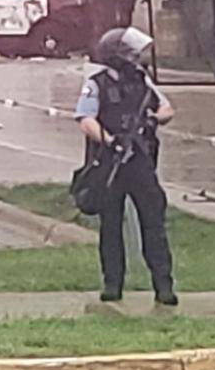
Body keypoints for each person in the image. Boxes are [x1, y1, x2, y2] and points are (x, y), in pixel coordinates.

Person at [75, 25, 177, 305]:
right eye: (135, 54)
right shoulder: (96, 84)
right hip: (111, 163)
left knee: (153, 222)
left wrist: (154, 120)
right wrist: (109, 141)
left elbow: (167, 108)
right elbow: (85, 119)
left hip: (141, 161)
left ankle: (164, 285)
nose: (140, 59)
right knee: (111, 226)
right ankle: (112, 284)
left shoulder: (143, 82)